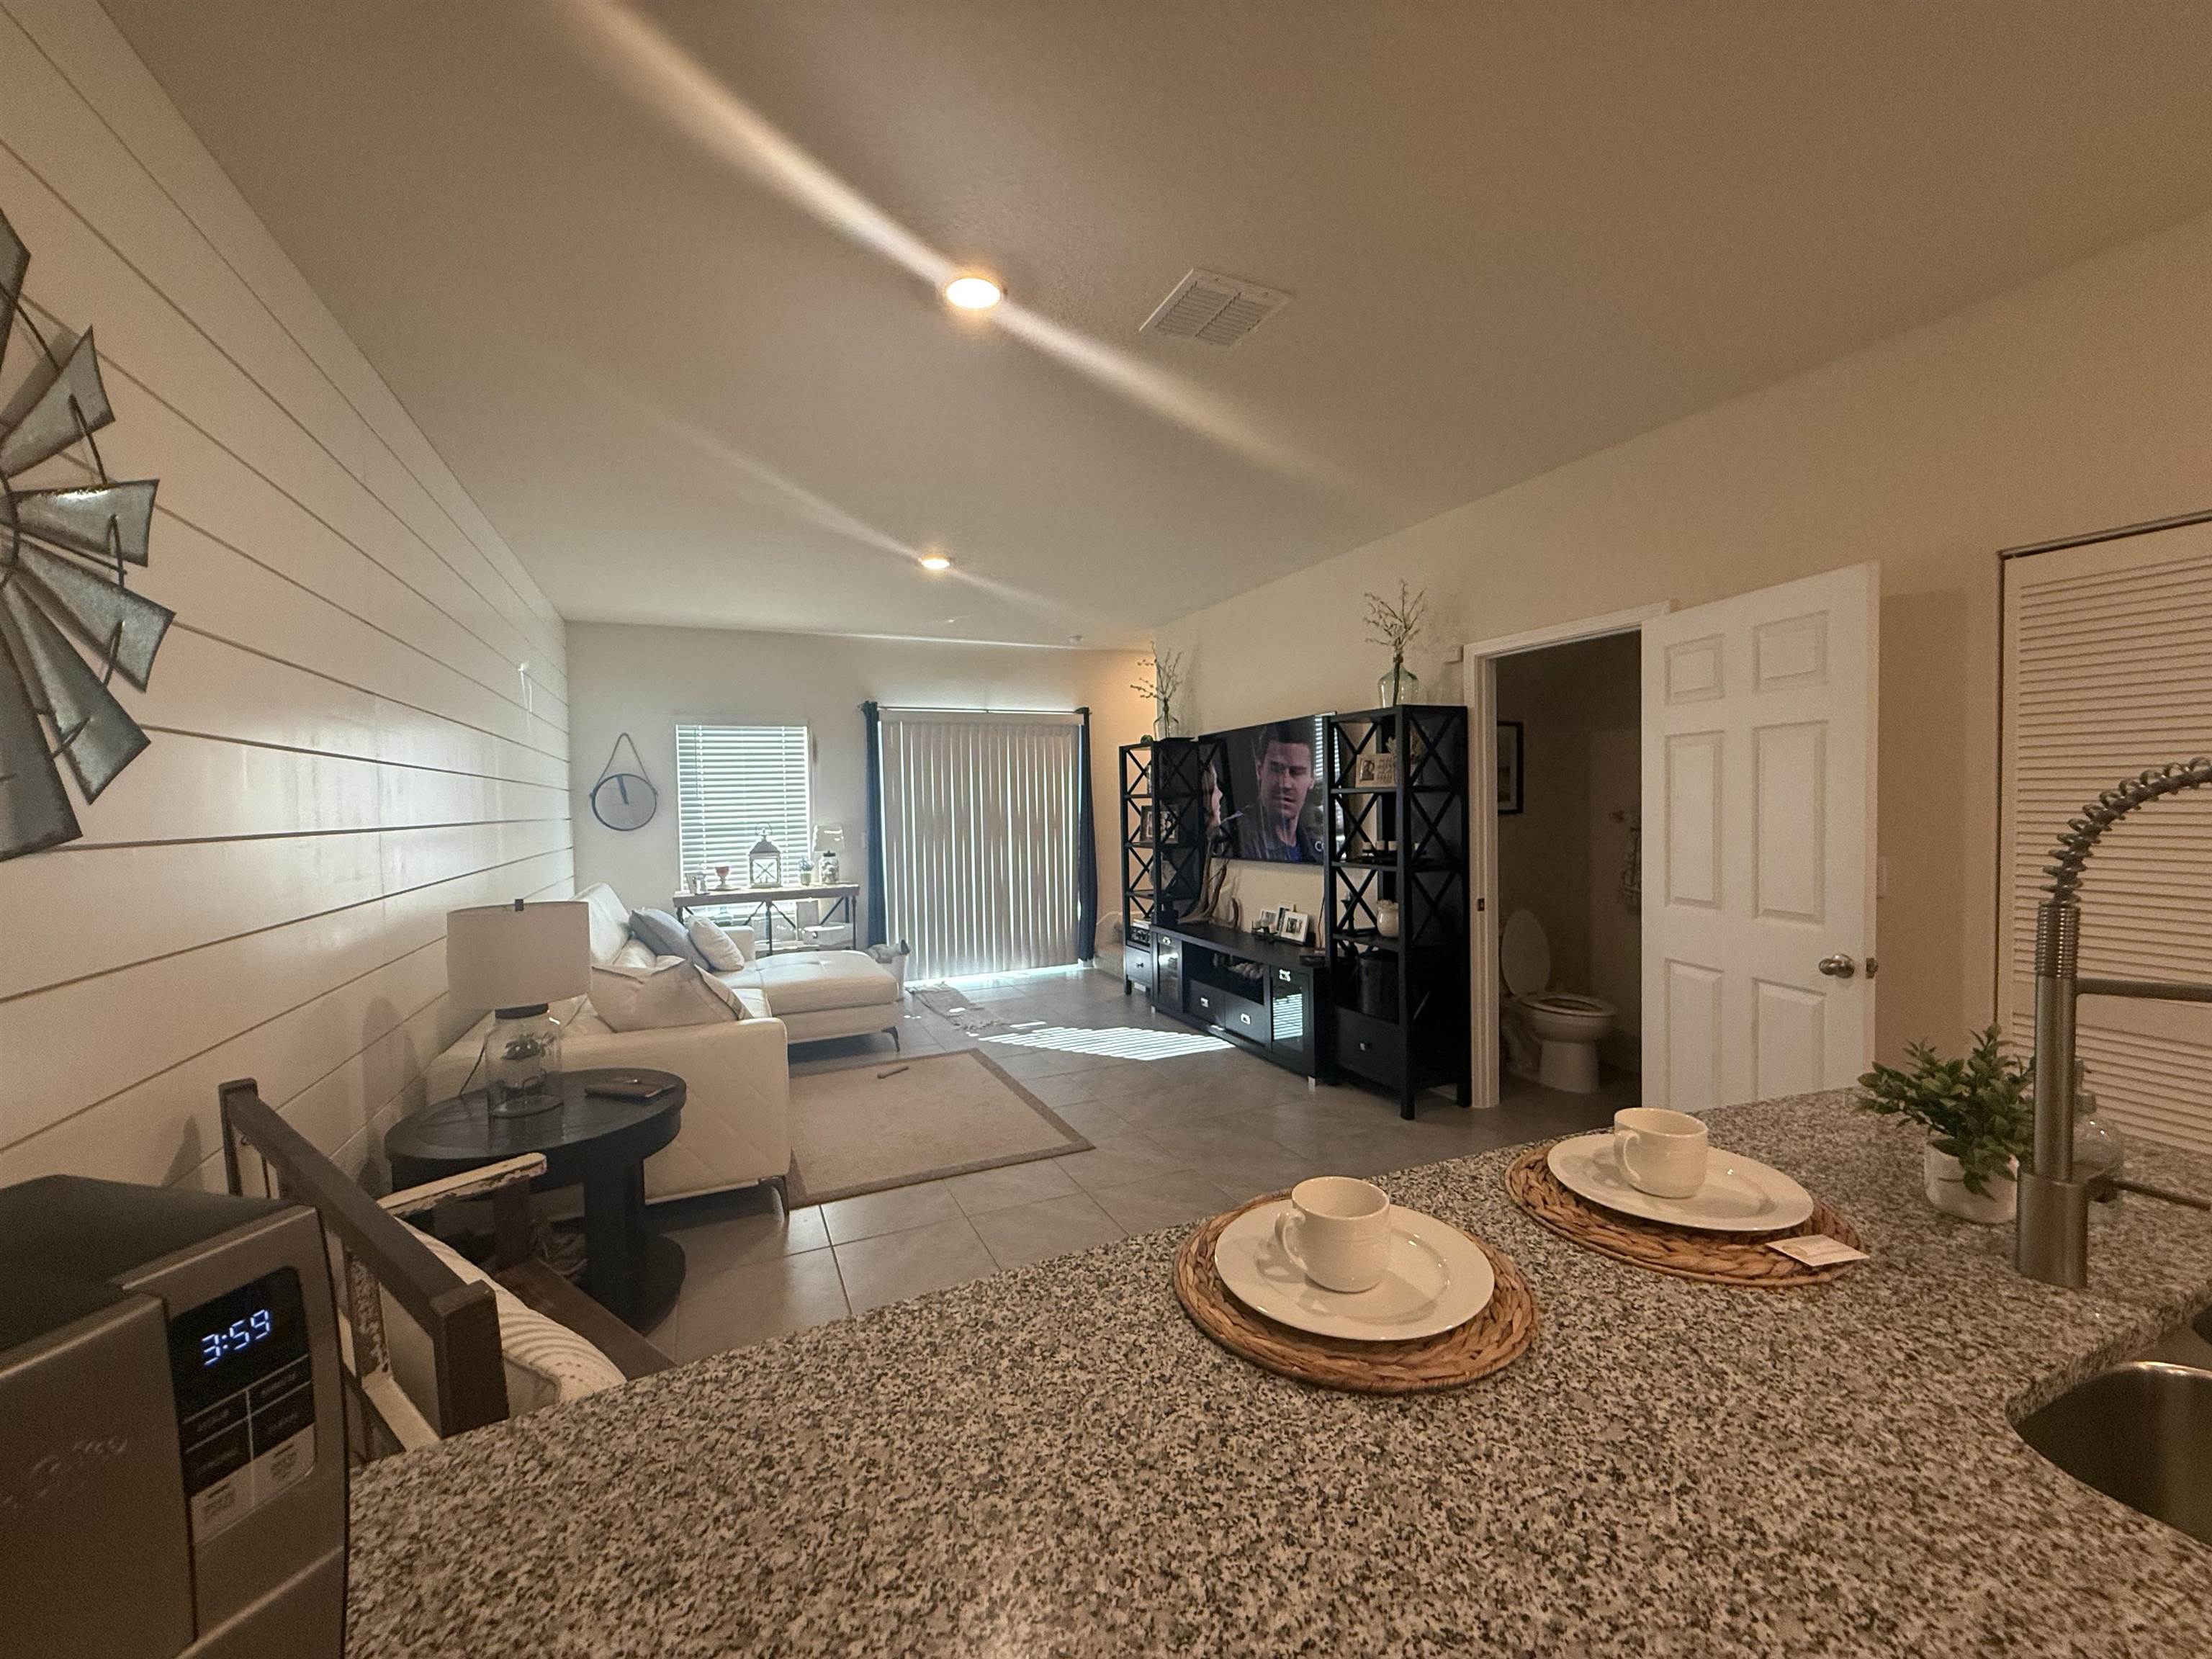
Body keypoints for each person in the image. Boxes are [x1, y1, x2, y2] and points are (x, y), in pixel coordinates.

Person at [1235, 721, 1324, 863]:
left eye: (1296, 772)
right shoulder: (1234, 833)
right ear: (1260, 769)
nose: (1285, 783)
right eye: (1277, 769)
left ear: (1312, 779)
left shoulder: (1315, 846)